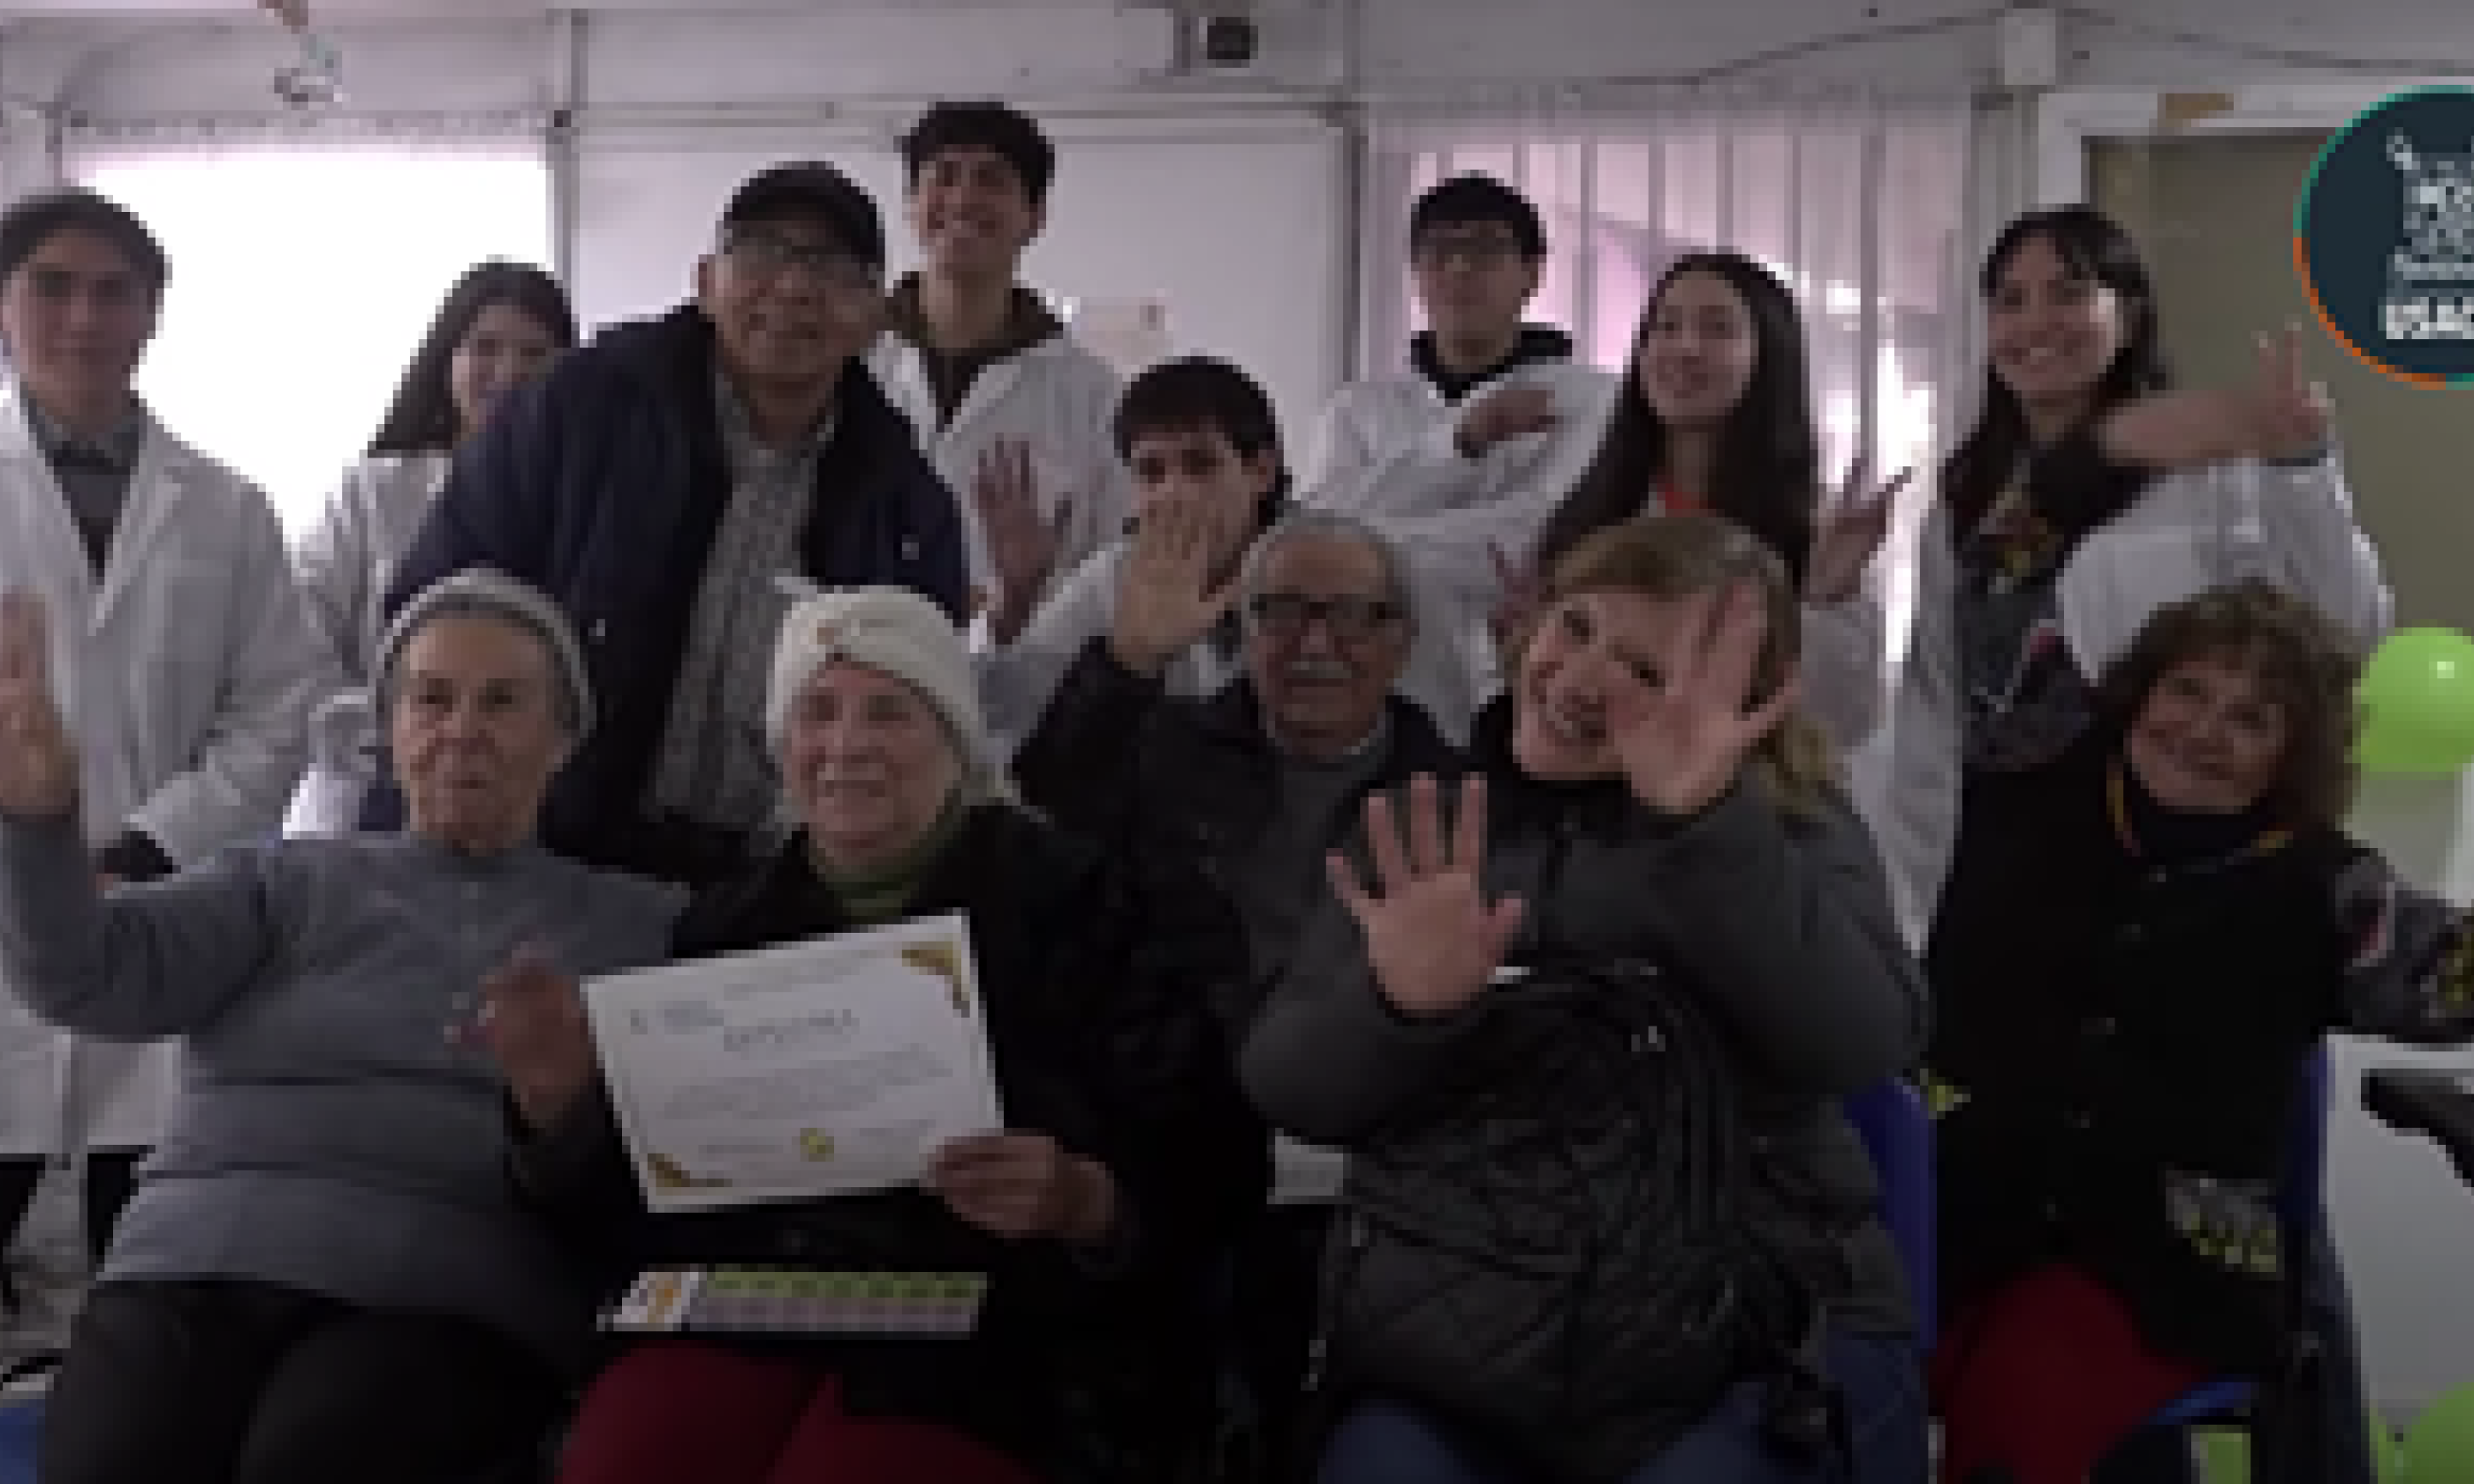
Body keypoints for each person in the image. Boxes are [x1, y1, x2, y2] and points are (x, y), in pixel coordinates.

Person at [482, 584, 1267, 1484]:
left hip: (1009, 1340)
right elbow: (633, 1221)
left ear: (954, 739)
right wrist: (562, 1114)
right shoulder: (721, 928)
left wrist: (1088, 1203)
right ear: (783, 749)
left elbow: (1218, 1162)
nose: (847, 746)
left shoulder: (1084, 902)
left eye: (889, 711)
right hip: (748, 1316)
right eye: (817, 712)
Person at [1245, 514, 1928, 1484]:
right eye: (1576, 628)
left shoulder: (1791, 826)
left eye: (1647, 675)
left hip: (1754, 1330)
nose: (1582, 680)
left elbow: (1863, 1043)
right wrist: (1401, 1008)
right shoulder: (1424, 825)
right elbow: (1289, 1087)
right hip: (1463, 1344)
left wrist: (1704, 828)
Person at [1881, 205, 2391, 1484]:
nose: (2037, 321)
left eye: (2071, 292)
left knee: (2238, 1239)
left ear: (2128, 314)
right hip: (2017, 904)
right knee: (2040, 1250)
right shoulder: (1970, 499)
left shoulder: (2213, 464)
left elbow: (2342, 634)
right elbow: (1937, 728)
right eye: (2011, 297)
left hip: (2195, 906)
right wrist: (1908, 926)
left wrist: (2300, 464)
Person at [0, 569, 682, 1484]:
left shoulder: (642, 926)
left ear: (564, 739)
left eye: (504, 701)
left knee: (313, 1457)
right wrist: (40, 822)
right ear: (390, 730)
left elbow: (681, 1162)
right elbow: (86, 977)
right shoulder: (287, 882)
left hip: (445, 1299)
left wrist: (561, 1106)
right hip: (191, 1267)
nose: (461, 730)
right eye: (430, 699)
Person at [1926, 580, 2474, 1484]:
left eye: (2250, 719)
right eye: (2186, 691)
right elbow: (1988, 585)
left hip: (2163, 1269)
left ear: (2288, 757)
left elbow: (2449, 973)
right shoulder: (2032, 783)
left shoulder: (2325, 890)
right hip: (1954, 1211)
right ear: (2140, 692)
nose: (2202, 731)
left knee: (2024, 1415)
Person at [1013, 508, 1463, 1465]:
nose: (1315, 645)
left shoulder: (1456, 798)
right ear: (1240, 633)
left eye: (1351, 616)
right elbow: (1047, 818)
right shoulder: (1163, 749)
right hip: (1179, 1137)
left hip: (1378, 1164)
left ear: (1400, 642)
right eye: (1282, 613)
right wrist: (1125, 662)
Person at [376, 160, 968, 889]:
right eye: (760, 254)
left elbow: (927, 713)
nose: (792, 288)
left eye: (832, 267)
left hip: (766, 887)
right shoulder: (578, 411)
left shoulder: (904, 497)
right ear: (705, 280)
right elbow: (440, 605)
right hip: (543, 858)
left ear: (873, 314)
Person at [0, 188, 334, 1301]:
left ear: (153, 316)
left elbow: (278, 711)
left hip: (157, 928)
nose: (84, 317)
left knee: (147, 1289)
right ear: (5, 304)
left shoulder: (228, 511)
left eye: (115, 292)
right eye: (53, 286)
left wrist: (142, 853)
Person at [980, 355, 1480, 750]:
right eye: (1152, 473)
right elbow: (1007, 715)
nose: (1174, 493)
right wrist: (1018, 600)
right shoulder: (1116, 576)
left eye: (1200, 466)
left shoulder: (1353, 566)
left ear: (1261, 472)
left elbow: (1444, 725)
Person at [1513, 250, 1904, 753]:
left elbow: (1844, 722)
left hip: (1740, 812)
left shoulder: (1815, 527)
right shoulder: (1590, 510)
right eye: (1665, 327)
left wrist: (1825, 600)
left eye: (1718, 330)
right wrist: (1520, 646)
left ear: (1770, 357)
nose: (1685, 348)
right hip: (1585, 808)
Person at [288, 261, 577, 836]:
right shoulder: (373, 490)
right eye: (485, 348)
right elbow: (300, 641)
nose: (509, 373)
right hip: (363, 794)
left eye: (534, 353)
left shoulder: (583, 503)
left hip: (526, 801)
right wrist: (397, 738)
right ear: (447, 360)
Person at [869, 101, 1132, 637]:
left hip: (1021, 690)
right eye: (943, 177)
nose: (963, 199)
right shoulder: (851, 363)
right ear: (911, 206)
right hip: (852, 674)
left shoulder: (1092, 395)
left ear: (1034, 218)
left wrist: (1020, 603)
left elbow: (1110, 566)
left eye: (991, 180)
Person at [1303, 174, 1614, 530]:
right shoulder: (1357, 410)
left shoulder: (1595, 399)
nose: (1459, 268)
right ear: (1415, 273)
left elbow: (1543, 525)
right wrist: (1460, 443)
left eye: (1485, 249)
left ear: (1533, 273)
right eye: (1438, 251)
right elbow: (1321, 523)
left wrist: (1384, 527)